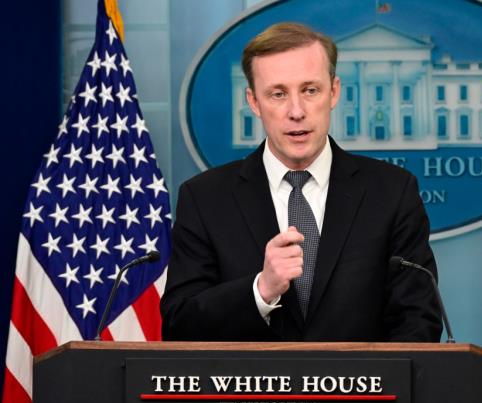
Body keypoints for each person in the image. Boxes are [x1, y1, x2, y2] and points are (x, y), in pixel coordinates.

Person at [160, 22, 442, 342]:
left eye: (310, 90)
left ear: (333, 92)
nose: (297, 111)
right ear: (254, 102)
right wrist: (261, 290)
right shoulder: (205, 199)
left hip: (363, 390)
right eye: (278, 94)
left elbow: (419, 320)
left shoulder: (392, 192)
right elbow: (179, 325)